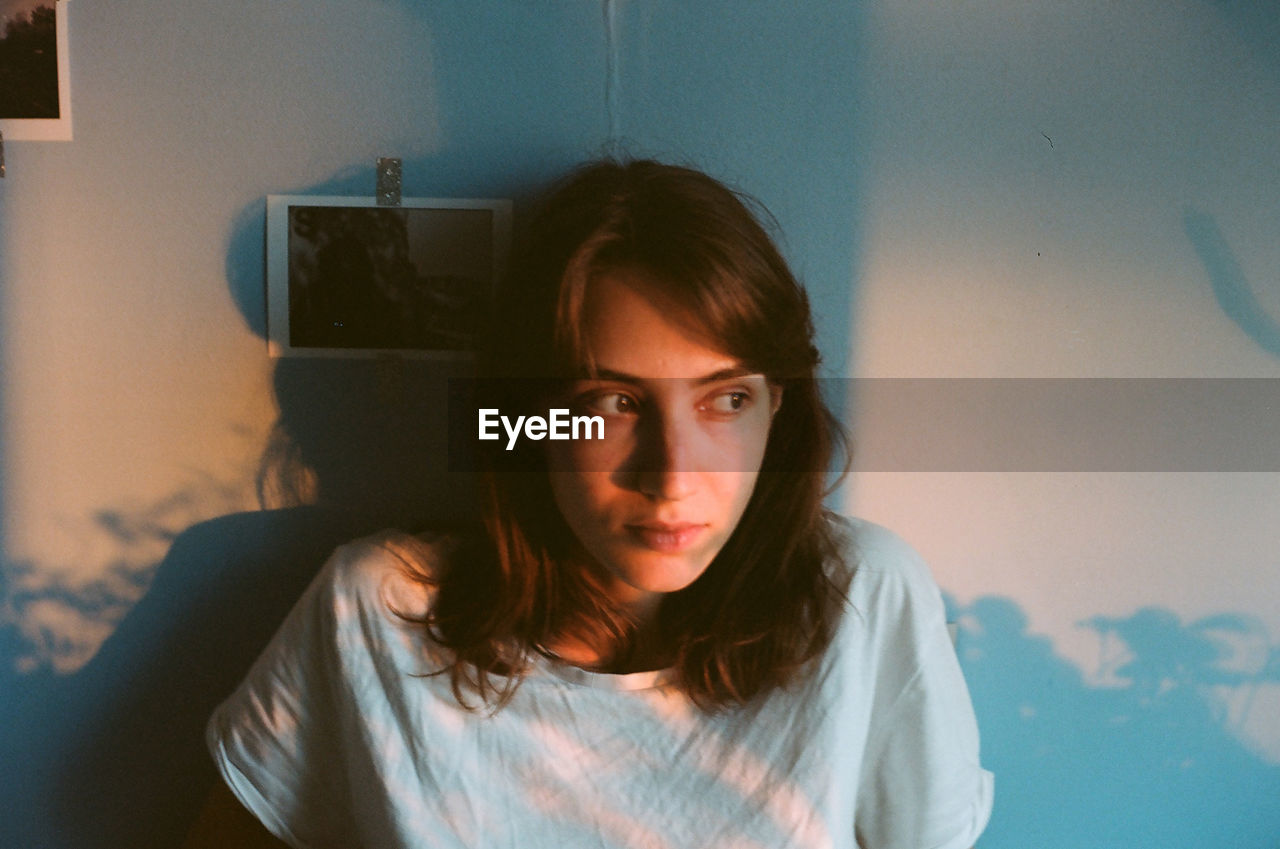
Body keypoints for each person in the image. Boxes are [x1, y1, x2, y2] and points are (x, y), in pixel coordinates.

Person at [186, 160, 993, 848]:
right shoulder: (380, 607)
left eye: (726, 400)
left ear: (777, 407)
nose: (673, 477)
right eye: (614, 402)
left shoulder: (862, 596)